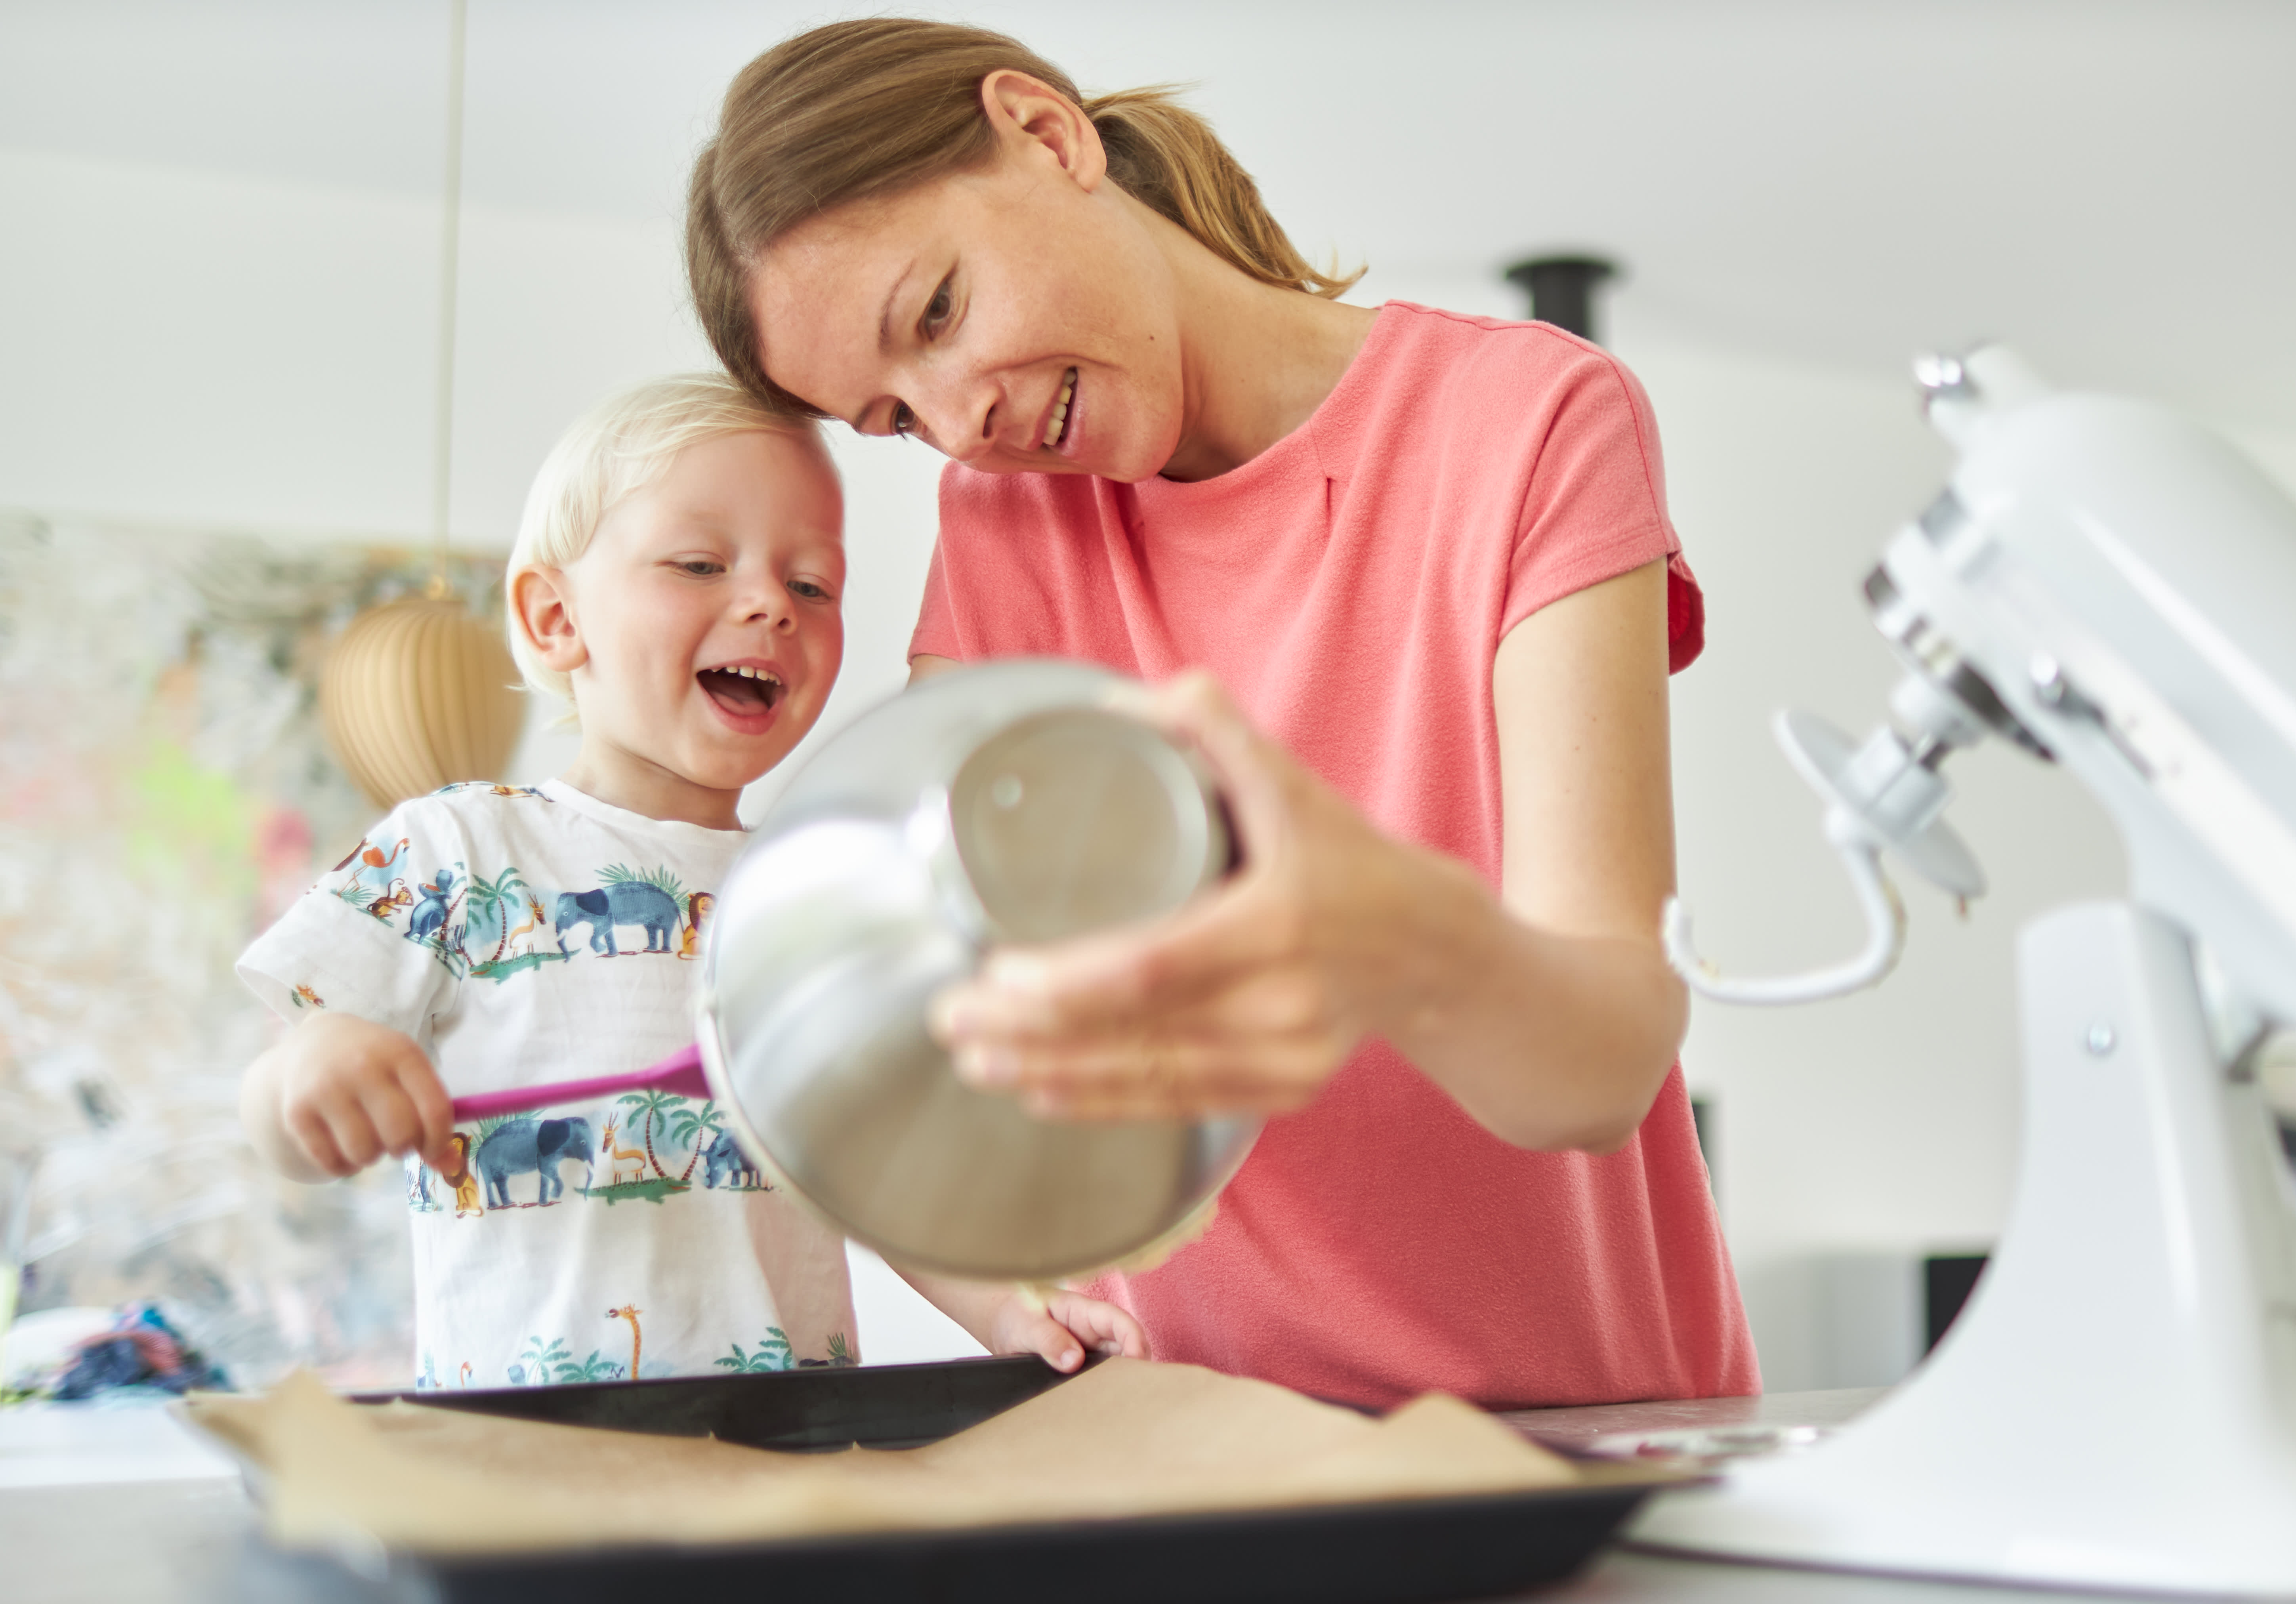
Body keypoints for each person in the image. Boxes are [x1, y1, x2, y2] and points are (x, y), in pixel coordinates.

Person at [680, 21, 1757, 1412]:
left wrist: (1380, 928)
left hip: (1574, 1435)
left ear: (1046, 133)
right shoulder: (1006, 524)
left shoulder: (1529, 420)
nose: (961, 425)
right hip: (1201, 1449)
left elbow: (1603, 1057)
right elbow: (936, 999)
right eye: (894, 416)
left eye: (938, 313)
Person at [236, 373, 1144, 1388]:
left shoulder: (822, 900)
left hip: (784, 1463)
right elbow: (283, 1086)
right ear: (552, 619)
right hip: (520, 1468)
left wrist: (1010, 1311)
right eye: (699, 563)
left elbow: (870, 1172)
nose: (768, 603)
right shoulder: (456, 849)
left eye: (813, 586)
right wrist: (310, 1072)